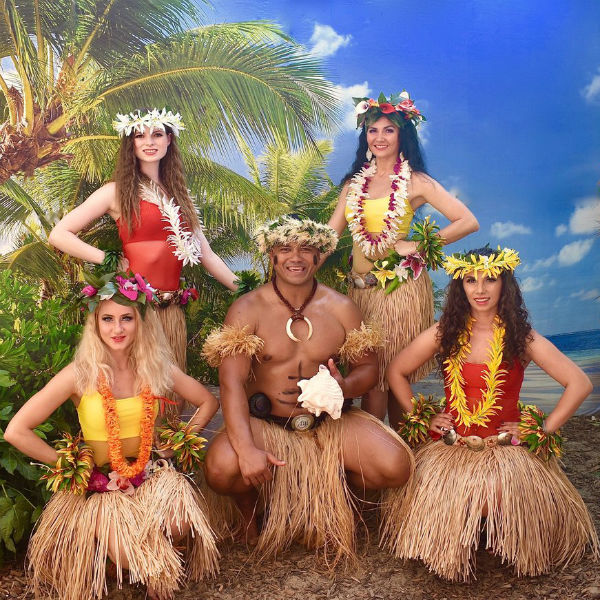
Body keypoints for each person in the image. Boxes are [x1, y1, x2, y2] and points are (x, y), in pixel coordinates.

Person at [201, 216, 414, 566]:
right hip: (267, 423)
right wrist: (247, 449)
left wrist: (344, 386)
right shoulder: (247, 308)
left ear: (319, 257)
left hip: (328, 424)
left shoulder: (341, 307)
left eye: (306, 250)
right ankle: (251, 512)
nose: (295, 257)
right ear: (271, 255)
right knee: (222, 469)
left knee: (395, 465)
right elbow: (231, 383)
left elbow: (369, 370)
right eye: (285, 249)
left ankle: (339, 502)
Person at [380, 246, 599, 581]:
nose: (479, 289)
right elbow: (396, 371)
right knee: (458, 498)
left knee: (489, 498)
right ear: (460, 286)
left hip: (503, 449)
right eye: (470, 280)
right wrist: (422, 418)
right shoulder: (445, 333)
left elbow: (579, 382)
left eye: (490, 279)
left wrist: (542, 429)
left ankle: (498, 531)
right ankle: (459, 537)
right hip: (453, 448)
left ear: (504, 285)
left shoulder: (520, 337)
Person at [4, 273, 220, 600]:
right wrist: (79, 470)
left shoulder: (156, 366)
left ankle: (152, 562)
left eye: (126, 319)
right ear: (95, 324)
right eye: (107, 319)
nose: (117, 329)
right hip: (103, 485)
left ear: (140, 322)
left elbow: (208, 401)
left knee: (178, 523)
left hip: (150, 473)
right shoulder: (79, 374)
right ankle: (145, 569)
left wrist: (174, 448)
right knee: (129, 548)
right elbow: (16, 430)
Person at [48, 108, 237, 377]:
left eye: (157, 134)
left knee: (170, 394)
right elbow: (59, 234)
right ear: (131, 143)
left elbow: (207, 256)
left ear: (169, 140)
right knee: (137, 387)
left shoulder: (179, 197)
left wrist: (245, 290)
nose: (149, 142)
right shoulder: (115, 191)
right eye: (140, 136)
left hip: (171, 313)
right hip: (133, 310)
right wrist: (106, 258)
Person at [328, 92, 479, 425]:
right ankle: (374, 461)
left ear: (402, 136)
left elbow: (468, 221)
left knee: (391, 377)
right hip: (360, 294)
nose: (379, 138)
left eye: (388, 130)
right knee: (369, 377)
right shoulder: (353, 186)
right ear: (364, 136)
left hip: (399, 292)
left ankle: (399, 458)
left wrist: (420, 245)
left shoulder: (416, 182)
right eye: (373, 130)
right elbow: (329, 237)